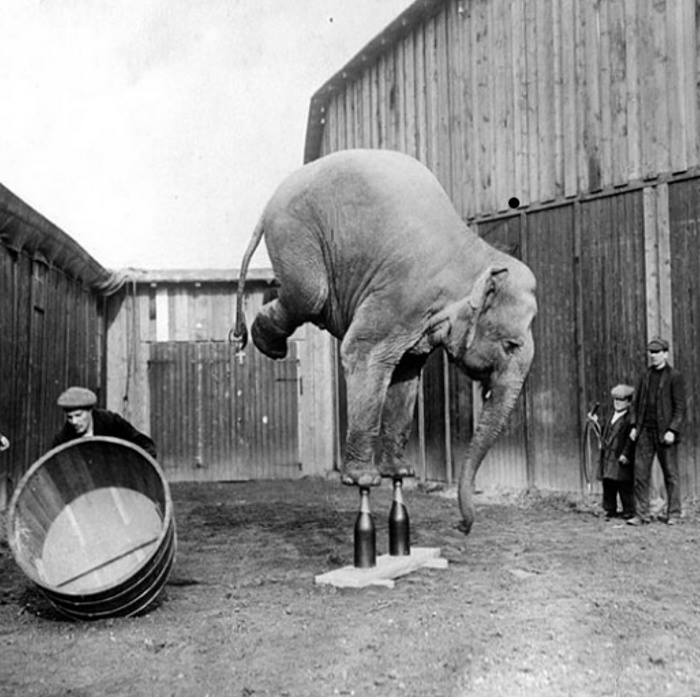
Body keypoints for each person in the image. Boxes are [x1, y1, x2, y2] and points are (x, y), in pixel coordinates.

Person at [627, 337, 686, 526]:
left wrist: (672, 430)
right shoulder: (645, 376)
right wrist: (635, 426)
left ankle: (674, 513)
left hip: (665, 433)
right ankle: (641, 514)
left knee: (671, 474)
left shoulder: (674, 377)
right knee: (640, 474)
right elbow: (636, 404)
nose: (653, 356)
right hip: (645, 431)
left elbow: (680, 408)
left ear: (666, 354)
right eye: (651, 352)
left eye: (657, 352)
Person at [51, 386, 157, 458]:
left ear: (90, 411)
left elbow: (145, 444)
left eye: (78, 415)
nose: (74, 421)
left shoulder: (110, 422)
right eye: (70, 417)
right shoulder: (63, 439)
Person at [593, 383, 635, 520]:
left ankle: (629, 510)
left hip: (621, 455)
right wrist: (595, 421)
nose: (617, 403)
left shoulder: (630, 419)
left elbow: (631, 439)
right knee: (608, 482)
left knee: (624, 484)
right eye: (615, 399)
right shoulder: (611, 414)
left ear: (628, 402)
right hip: (608, 455)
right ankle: (609, 508)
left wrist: (626, 454)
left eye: (621, 400)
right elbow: (604, 430)